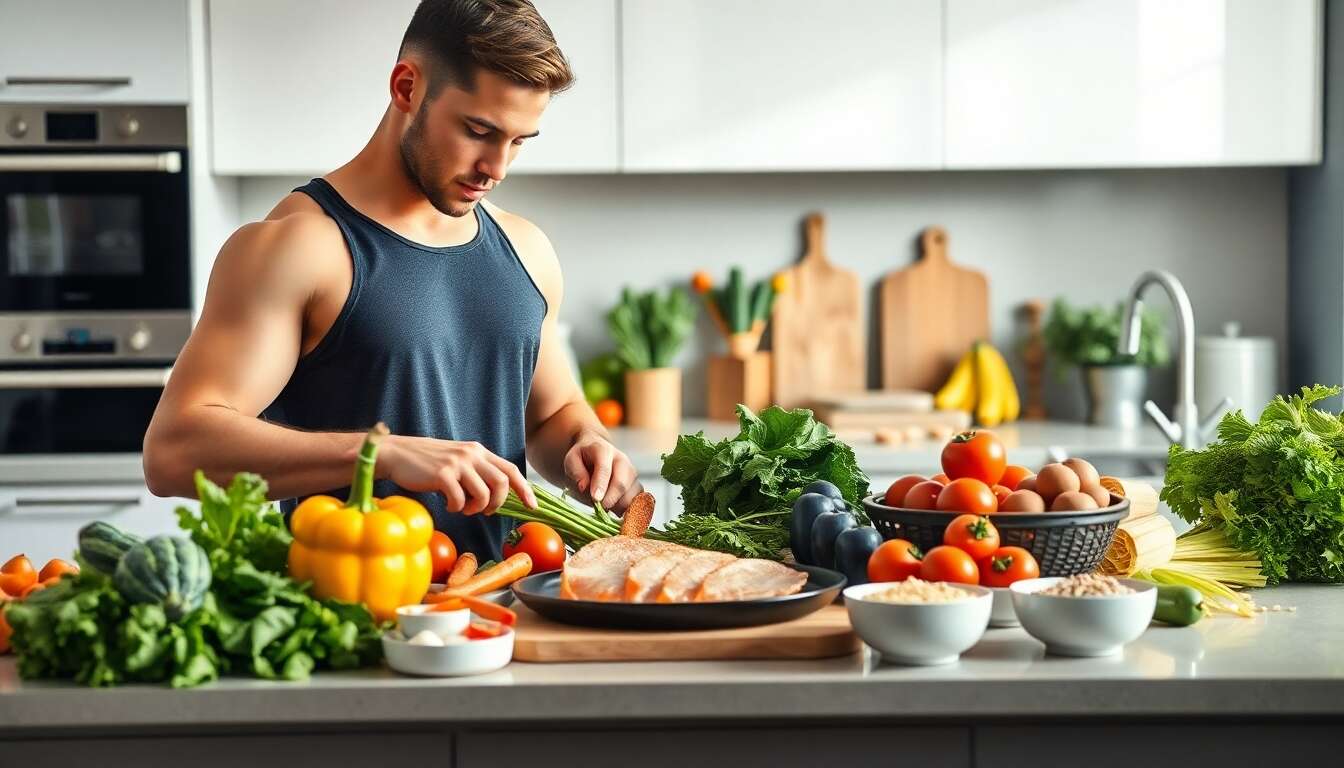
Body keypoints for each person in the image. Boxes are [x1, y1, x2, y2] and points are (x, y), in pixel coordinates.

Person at [143, 0, 641, 559]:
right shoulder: (299, 247)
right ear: (407, 88)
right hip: (355, 620)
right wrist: (378, 454)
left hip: (505, 613)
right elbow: (173, 453)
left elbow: (551, 416)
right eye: (479, 130)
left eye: (519, 141)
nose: (497, 168)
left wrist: (585, 442)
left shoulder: (527, 249)